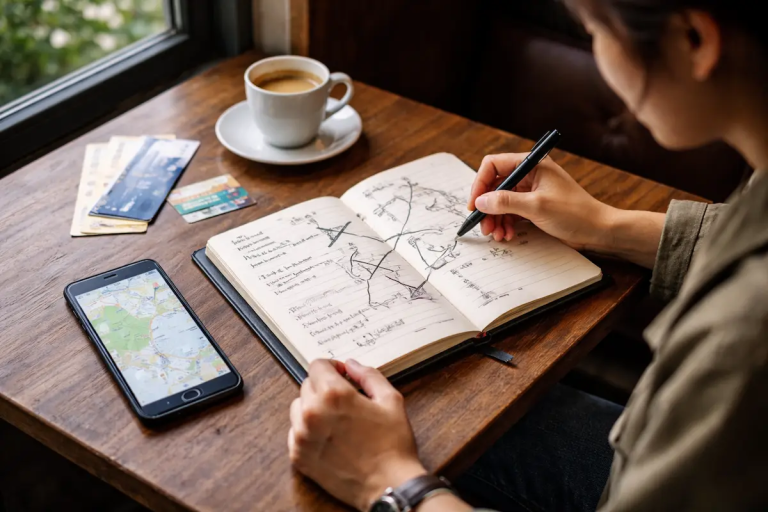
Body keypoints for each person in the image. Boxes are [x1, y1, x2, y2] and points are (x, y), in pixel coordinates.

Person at [287, 0, 768, 510]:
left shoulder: (742, 334)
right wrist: (604, 225)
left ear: (694, 40)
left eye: (594, 33)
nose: (600, 60)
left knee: (424, 429)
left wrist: (390, 483)